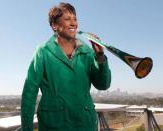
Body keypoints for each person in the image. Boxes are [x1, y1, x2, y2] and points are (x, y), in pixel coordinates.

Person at [21, 2, 111, 131]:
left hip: (86, 124)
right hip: (54, 125)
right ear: (54, 25)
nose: (73, 23)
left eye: (75, 19)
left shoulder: (88, 53)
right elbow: (29, 93)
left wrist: (100, 56)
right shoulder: (43, 52)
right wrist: (26, 128)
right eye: (67, 19)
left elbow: (103, 85)